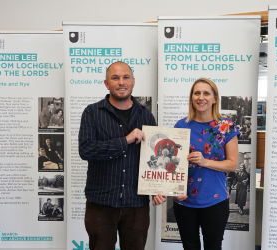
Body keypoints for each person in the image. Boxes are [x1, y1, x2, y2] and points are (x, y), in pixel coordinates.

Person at [79, 61, 158, 250]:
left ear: (133, 82)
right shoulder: (92, 112)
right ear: (107, 84)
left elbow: (153, 159)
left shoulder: (146, 116)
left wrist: (157, 187)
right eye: (115, 78)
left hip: (136, 204)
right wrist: (126, 140)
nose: (121, 82)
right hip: (101, 203)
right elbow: (86, 150)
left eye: (125, 77)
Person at [153, 78, 240, 250]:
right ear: (192, 97)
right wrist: (171, 191)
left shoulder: (226, 126)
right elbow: (170, 164)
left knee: (213, 247)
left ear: (215, 98)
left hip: (215, 202)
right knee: (189, 247)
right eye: (197, 93)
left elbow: (232, 164)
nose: (201, 97)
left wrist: (204, 161)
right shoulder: (181, 125)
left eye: (206, 93)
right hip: (184, 202)